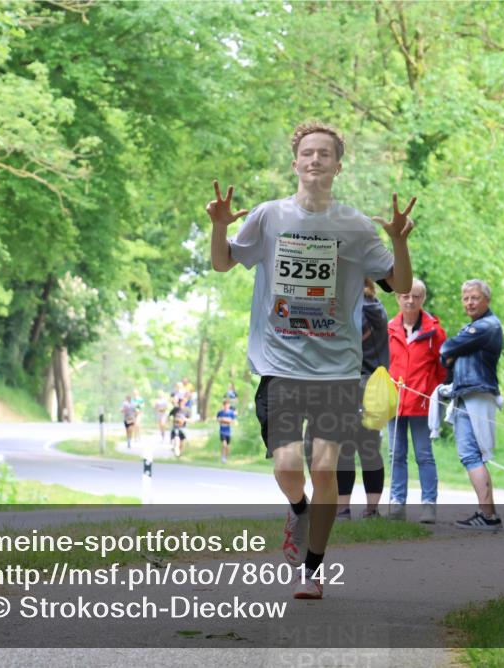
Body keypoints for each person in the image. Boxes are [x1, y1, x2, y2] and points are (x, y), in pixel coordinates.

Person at [207, 121, 416, 599]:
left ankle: (313, 570)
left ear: (338, 166)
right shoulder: (268, 216)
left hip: (337, 368)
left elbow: (400, 285)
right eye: (308, 153)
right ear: (296, 162)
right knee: (287, 468)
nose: (316, 160)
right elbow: (223, 263)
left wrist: (400, 241)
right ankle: (298, 510)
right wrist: (220, 226)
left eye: (325, 154)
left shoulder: (356, 226)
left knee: (325, 467)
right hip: (279, 365)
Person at [441, 279, 504, 531]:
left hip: (476, 393)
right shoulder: (475, 326)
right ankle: (487, 513)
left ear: (486, 300)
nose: (469, 302)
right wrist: (454, 351)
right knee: (473, 455)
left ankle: (488, 516)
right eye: (466, 298)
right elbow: (448, 356)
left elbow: (447, 347)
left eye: (475, 297)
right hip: (470, 393)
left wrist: (455, 350)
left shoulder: (488, 325)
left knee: (470, 454)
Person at [386, 278, 446, 523]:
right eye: (405, 295)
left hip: (422, 405)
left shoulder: (435, 331)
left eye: (416, 296)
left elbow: (442, 369)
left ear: (423, 299)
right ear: (398, 298)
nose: (410, 300)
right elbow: (381, 364)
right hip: (394, 404)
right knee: (396, 454)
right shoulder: (388, 329)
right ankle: (397, 503)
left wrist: (433, 393)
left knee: (424, 455)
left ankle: (428, 505)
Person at [337, 278, 390, 521]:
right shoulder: (378, 308)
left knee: (345, 449)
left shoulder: (353, 310)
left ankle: (343, 508)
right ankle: (372, 509)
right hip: (376, 388)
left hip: (351, 384)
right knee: (370, 449)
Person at [216, 399, 237, 464]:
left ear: (229, 405)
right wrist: (225, 420)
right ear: (223, 405)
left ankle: (226, 458)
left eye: (227, 405)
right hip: (222, 431)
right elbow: (218, 420)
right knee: (224, 445)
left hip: (228, 432)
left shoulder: (231, 413)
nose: (226, 406)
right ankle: (223, 458)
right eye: (225, 405)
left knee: (227, 446)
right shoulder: (220, 412)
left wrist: (226, 420)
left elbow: (234, 421)